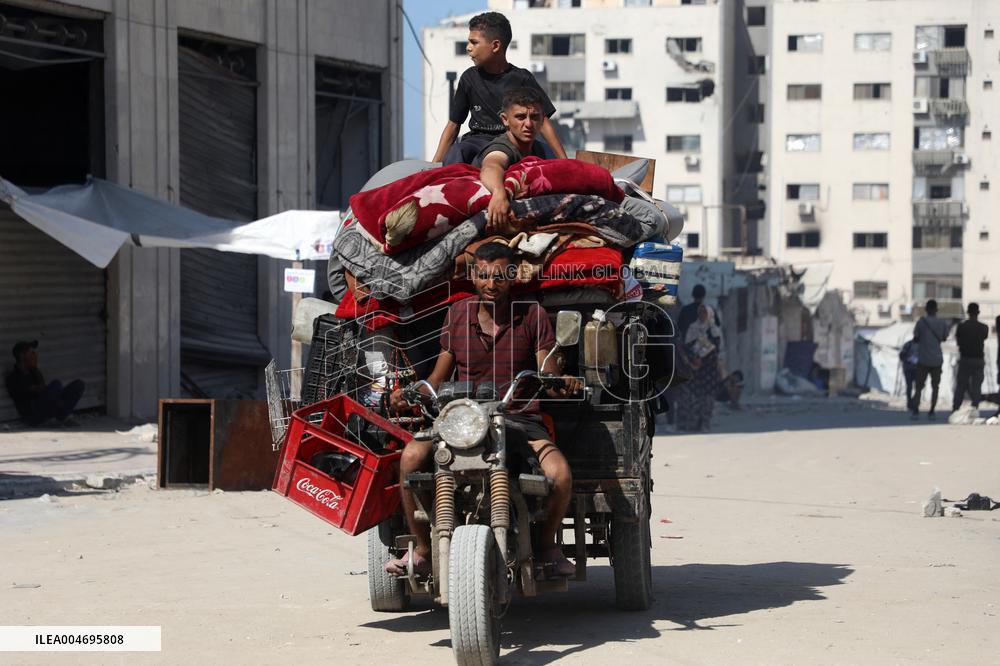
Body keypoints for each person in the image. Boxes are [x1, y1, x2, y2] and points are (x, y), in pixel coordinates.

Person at [384, 243, 582, 578]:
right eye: (484, 275)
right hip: (461, 418)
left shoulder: (532, 314)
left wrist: (560, 380)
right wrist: (410, 393)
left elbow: (546, 368)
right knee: (410, 457)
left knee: (560, 474)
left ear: (513, 275)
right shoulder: (457, 313)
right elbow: (437, 377)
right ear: (472, 275)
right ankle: (420, 550)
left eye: (500, 275)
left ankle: (548, 546)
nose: (491, 283)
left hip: (517, 417)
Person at [431, 12, 567, 166]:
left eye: (474, 42)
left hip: (512, 140)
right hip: (478, 141)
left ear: (495, 46)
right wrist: (434, 165)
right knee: (457, 152)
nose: (468, 48)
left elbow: (543, 122)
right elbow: (453, 125)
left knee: (543, 155)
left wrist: (565, 161)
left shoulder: (522, 78)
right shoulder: (469, 78)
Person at [476, 87, 551, 234]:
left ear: (542, 120)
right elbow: (492, 165)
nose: (529, 124)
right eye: (521, 117)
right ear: (505, 120)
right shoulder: (502, 147)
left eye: (535, 117)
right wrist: (499, 193)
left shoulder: (544, 151)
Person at [5, 340, 85, 427]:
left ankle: (61, 417)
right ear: (22, 356)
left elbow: (44, 390)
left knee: (78, 385)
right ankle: (53, 419)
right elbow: (39, 390)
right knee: (56, 384)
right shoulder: (14, 377)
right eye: (31, 353)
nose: (35, 355)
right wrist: (57, 397)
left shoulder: (33, 372)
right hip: (33, 415)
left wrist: (35, 369)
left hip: (45, 407)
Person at [677, 304, 724, 432]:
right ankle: (694, 423)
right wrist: (694, 358)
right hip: (696, 368)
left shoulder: (714, 330)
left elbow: (717, 348)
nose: (702, 315)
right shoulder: (693, 327)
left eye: (704, 313)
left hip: (710, 369)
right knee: (695, 397)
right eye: (700, 313)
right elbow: (687, 346)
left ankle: (705, 423)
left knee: (708, 398)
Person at [910, 299, 950, 420]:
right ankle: (932, 410)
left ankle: (916, 410)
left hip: (923, 359)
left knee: (919, 386)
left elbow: (916, 338)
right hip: (937, 359)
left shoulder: (921, 322)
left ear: (926, 310)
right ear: (936, 310)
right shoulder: (942, 323)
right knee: (935, 386)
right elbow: (944, 338)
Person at [952, 303, 989, 412]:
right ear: (978, 313)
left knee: (961, 385)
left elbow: (958, 341)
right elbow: (984, 337)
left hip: (965, 358)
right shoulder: (983, 327)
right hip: (978, 359)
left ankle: (956, 407)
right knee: (977, 386)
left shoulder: (962, 327)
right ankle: (975, 407)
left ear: (968, 313)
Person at [898, 338, 918, 410]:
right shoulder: (908, 344)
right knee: (909, 386)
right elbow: (901, 355)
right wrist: (909, 359)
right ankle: (909, 403)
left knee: (918, 387)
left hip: (918, 369)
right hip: (908, 369)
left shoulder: (923, 345)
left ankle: (914, 401)